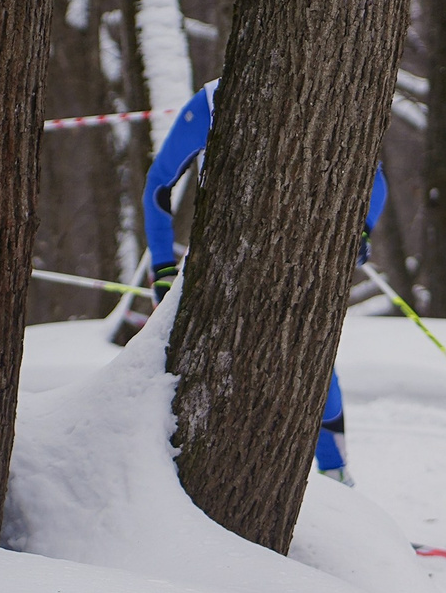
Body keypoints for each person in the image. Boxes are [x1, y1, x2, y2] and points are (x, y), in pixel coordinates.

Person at [141, 79, 390, 484]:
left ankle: (336, 477)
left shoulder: (331, 92)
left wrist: (361, 229)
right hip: (220, 267)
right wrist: (163, 266)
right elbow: (159, 183)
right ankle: (180, 484)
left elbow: (373, 176)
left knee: (312, 364)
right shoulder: (214, 99)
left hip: (301, 261)